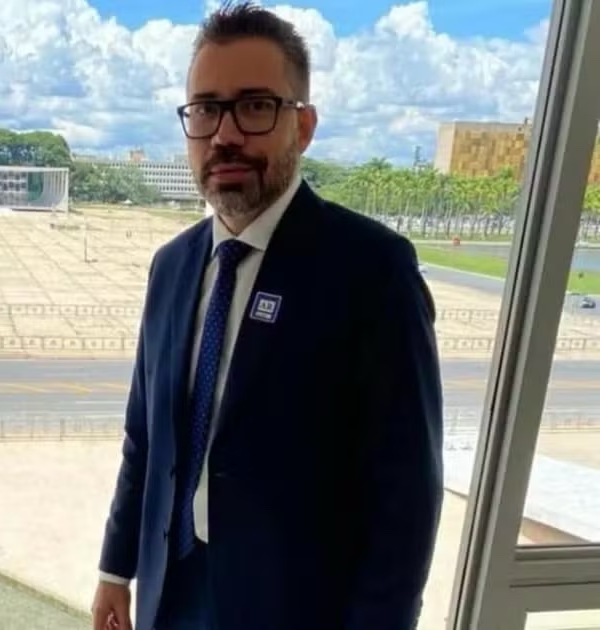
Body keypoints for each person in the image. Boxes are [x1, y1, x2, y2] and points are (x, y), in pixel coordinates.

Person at [92, 3, 444, 629]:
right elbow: (144, 439)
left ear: (302, 126)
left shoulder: (372, 271)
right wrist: (116, 571)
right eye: (206, 109)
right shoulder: (171, 268)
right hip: (172, 590)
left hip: (294, 608)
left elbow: (406, 495)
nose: (224, 134)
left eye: (255, 106)